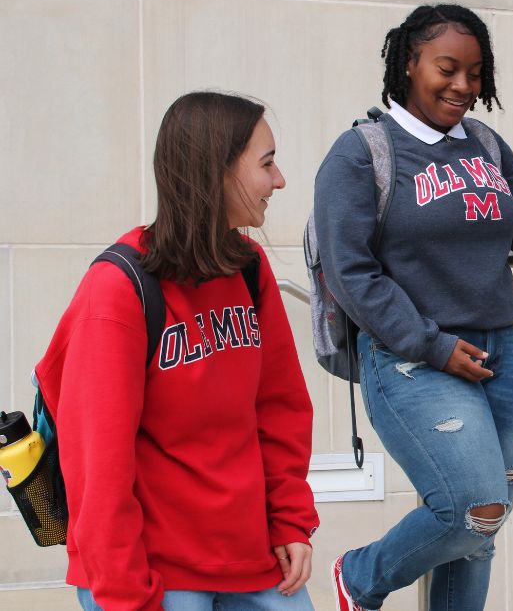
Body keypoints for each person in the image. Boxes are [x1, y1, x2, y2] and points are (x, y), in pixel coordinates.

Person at [313, 4, 513, 611]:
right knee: (474, 510)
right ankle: (360, 576)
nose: (463, 86)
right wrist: (433, 345)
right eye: (447, 68)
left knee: (481, 535)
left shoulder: (486, 144)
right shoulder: (361, 155)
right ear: (409, 64)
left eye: (475, 72)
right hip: (414, 360)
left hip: (502, 356)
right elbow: (352, 272)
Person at [35, 92, 319, 611]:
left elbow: (279, 409)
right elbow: (97, 464)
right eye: (267, 163)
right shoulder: (119, 287)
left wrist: (290, 520)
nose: (279, 181)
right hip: (152, 574)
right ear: (217, 171)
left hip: (256, 564)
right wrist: (125, 595)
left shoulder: (250, 269)